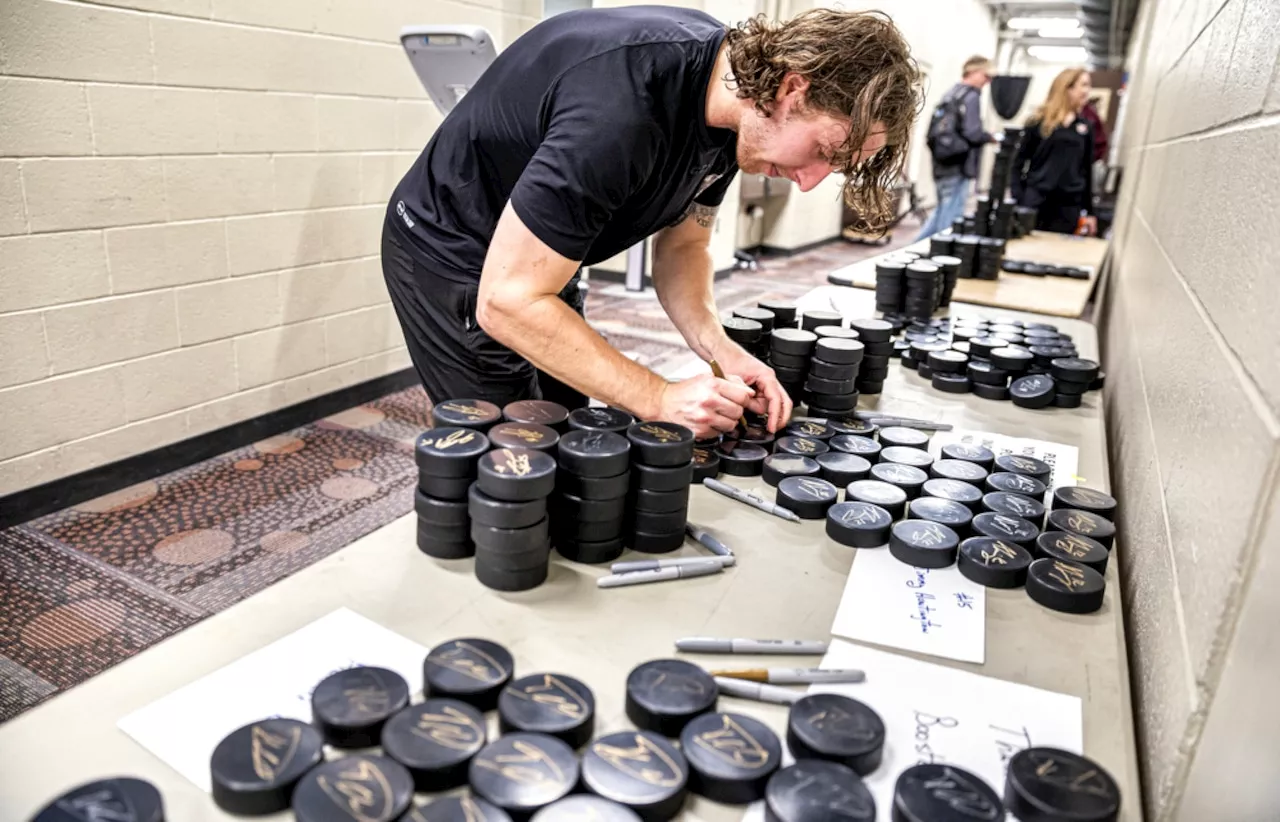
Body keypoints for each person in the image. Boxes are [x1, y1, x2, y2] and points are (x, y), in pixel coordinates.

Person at [382, 7, 920, 439]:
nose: (808, 182)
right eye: (824, 150)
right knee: (518, 448)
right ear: (791, 91)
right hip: (453, 251)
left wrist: (719, 349)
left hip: (537, 265)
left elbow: (685, 247)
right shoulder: (620, 114)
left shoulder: (735, 108)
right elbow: (508, 302)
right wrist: (658, 397)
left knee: (575, 430)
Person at [916, 55, 994, 239]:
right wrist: (990, 137)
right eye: (986, 76)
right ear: (973, 72)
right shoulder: (971, 96)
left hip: (942, 163)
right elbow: (973, 132)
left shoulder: (951, 93)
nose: (987, 81)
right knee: (949, 223)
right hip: (958, 165)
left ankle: (909, 252)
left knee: (941, 213)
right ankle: (941, 261)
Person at [1012, 68, 1097, 235]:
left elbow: (1087, 171)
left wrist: (1091, 212)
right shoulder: (1038, 122)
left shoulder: (1086, 127)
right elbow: (1017, 163)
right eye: (1083, 85)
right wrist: (1019, 197)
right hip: (1036, 200)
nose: (1087, 91)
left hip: (1068, 205)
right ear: (1067, 88)